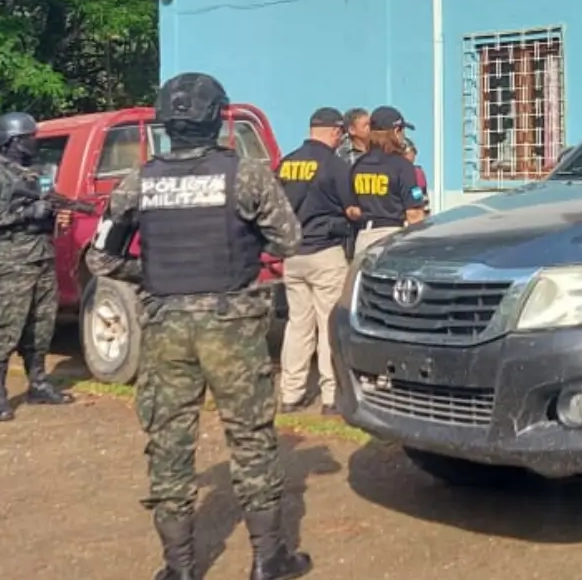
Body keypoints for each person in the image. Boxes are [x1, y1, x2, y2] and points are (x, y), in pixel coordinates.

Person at [86, 73, 311, 580]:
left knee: (169, 441)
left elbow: (100, 258)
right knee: (250, 436)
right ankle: (267, 559)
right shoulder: (246, 175)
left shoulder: (138, 181)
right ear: (216, 118)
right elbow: (288, 240)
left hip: (165, 325)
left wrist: (150, 271)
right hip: (232, 325)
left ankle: (180, 567)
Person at [0, 111, 76, 422]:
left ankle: (38, 383)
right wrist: (26, 214)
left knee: (42, 324)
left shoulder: (36, 173)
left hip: (41, 256)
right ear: (12, 141)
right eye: (28, 138)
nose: (33, 142)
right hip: (10, 263)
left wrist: (56, 213)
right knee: (6, 325)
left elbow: (49, 203)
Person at [277, 107, 362, 416]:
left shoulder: (287, 163)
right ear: (334, 132)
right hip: (325, 252)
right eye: (340, 134)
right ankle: (330, 397)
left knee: (297, 325)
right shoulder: (336, 165)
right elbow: (352, 209)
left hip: (293, 255)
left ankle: (290, 394)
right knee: (329, 325)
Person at [348, 105, 428, 259]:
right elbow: (414, 213)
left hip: (363, 237)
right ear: (396, 131)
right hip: (391, 237)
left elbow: (352, 210)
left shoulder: (359, 165)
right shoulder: (402, 166)